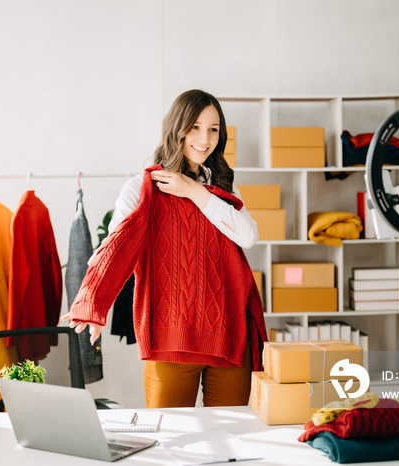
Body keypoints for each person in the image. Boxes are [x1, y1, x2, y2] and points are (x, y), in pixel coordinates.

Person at [62, 89, 268, 408]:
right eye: (195, 127)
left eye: (213, 129)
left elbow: (248, 236)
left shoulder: (223, 186)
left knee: (232, 442)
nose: (205, 138)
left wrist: (195, 191)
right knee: (173, 445)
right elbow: (115, 246)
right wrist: (93, 302)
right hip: (171, 341)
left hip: (229, 337)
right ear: (177, 128)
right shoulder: (143, 188)